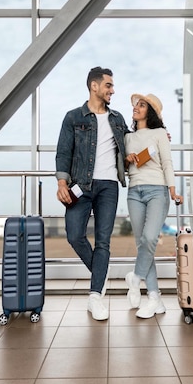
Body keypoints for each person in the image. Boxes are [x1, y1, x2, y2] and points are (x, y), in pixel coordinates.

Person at [55, 67, 129, 321]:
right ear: (94, 86)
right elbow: (63, 152)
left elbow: (132, 143)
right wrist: (62, 183)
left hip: (109, 185)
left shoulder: (117, 118)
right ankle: (101, 272)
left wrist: (157, 132)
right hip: (80, 185)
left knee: (103, 242)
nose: (112, 90)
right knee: (74, 235)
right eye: (108, 85)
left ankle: (95, 295)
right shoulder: (73, 117)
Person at [124, 93, 183, 318]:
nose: (136, 108)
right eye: (135, 105)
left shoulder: (159, 134)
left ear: (150, 111)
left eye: (141, 105)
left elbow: (167, 162)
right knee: (143, 246)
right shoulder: (127, 137)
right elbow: (120, 162)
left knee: (150, 239)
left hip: (157, 190)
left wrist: (172, 189)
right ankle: (154, 298)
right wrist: (126, 159)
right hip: (134, 192)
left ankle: (136, 278)